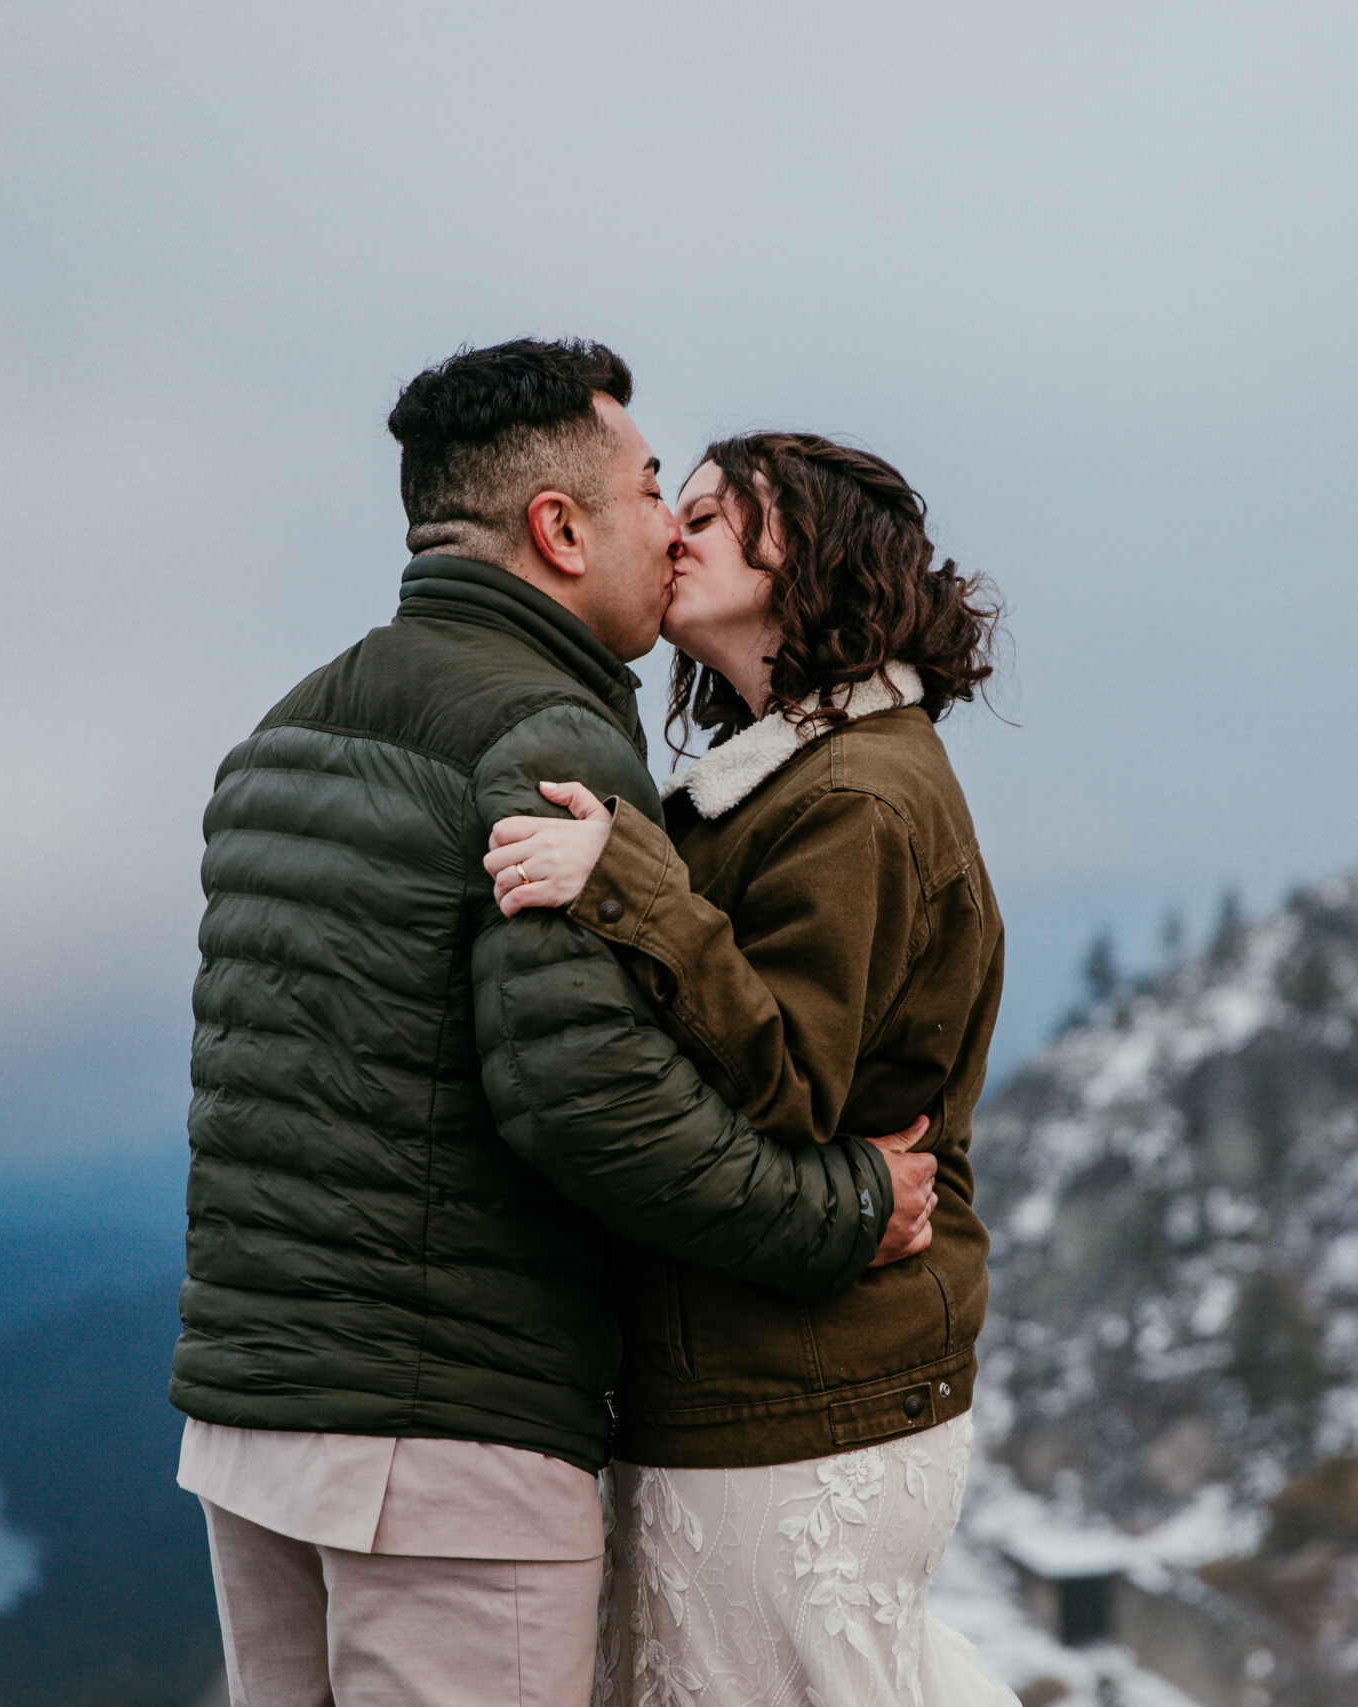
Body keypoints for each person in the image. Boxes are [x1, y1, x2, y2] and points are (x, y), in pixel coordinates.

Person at [170, 342, 941, 1707]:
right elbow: (589, 1099)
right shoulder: (545, 735)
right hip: (445, 1443)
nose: (671, 518)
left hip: (249, 1420)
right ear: (559, 527)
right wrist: (842, 1207)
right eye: (653, 487)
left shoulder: (283, 728)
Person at [483, 432, 1012, 1706]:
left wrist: (625, 879)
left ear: (808, 561)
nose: (677, 534)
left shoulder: (858, 800)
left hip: (800, 1399)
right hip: (766, 1381)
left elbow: (786, 1080)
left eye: (716, 516)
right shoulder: (787, 777)